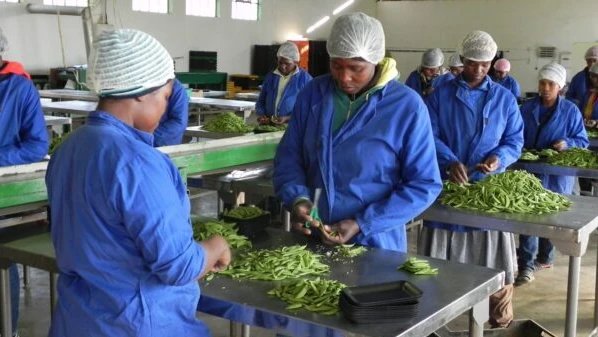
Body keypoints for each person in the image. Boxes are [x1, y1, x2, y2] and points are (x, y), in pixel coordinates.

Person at [45, 29, 231, 337]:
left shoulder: (67, 149)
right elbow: (178, 266)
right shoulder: (138, 162)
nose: (164, 109)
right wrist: (216, 246)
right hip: (138, 323)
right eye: (165, 97)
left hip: (78, 320)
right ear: (143, 91)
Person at [273, 12, 442, 253]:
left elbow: (424, 184)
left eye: (356, 68)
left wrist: (363, 223)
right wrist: (298, 199)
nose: (344, 77)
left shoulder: (406, 106)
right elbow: (289, 157)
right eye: (336, 65)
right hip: (313, 238)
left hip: (375, 243)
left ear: (375, 61)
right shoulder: (313, 95)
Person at [419, 30, 524, 329]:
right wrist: (449, 160)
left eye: (485, 63)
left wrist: (498, 158)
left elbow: (514, 139)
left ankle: (500, 325)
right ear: (462, 60)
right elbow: (429, 136)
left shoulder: (504, 98)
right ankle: (437, 326)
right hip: (449, 190)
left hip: (487, 194)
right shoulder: (441, 95)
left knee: (497, 270)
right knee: (440, 272)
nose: (478, 69)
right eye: (472, 63)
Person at [515, 63, 588, 286]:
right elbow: (515, 133)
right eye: (542, 83)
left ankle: (545, 257)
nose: (545, 88)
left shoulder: (570, 111)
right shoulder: (527, 108)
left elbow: (582, 141)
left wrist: (568, 143)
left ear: (560, 87)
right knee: (528, 216)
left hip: (557, 173)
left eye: (550, 84)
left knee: (551, 216)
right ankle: (526, 264)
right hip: (529, 170)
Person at [0, 27, 49, 337]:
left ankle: (8, 329)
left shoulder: (17, 87)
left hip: (2, 190)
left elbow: (36, 145)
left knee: (2, 264)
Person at [256, 42, 312, 124]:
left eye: (287, 63)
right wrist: (262, 115)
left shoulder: (305, 79)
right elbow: (261, 101)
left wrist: (288, 118)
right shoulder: (271, 77)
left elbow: (310, 107)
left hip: (293, 127)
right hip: (269, 125)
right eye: (280, 62)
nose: (283, 66)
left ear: (296, 62)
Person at [153, 78, 189, 147]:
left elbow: (179, 122)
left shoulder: (176, 88)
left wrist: (149, 136)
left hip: (164, 144)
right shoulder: (142, 84)